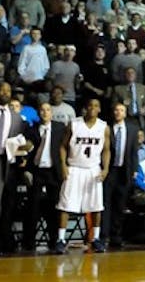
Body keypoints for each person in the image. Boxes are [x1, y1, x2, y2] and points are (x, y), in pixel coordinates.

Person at [55, 97, 110, 254]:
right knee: (65, 205)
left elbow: (106, 150)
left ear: (99, 109)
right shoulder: (74, 124)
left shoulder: (104, 127)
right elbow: (62, 147)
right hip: (74, 168)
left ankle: (96, 239)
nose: (93, 108)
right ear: (85, 108)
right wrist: (64, 166)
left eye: (96, 106)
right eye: (90, 105)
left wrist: (105, 169)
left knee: (96, 206)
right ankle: (61, 239)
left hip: (93, 169)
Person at [22, 101, 66, 250]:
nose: (45, 112)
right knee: (32, 207)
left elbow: (65, 148)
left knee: (54, 206)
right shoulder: (31, 129)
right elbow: (26, 151)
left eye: (48, 110)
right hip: (37, 170)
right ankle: (29, 242)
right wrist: (27, 169)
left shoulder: (60, 128)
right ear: (38, 113)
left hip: (53, 171)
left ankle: (54, 241)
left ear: (51, 113)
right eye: (42, 110)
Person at [0, 81, 27, 256]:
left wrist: (23, 154)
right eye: (2, 89)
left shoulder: (16, 117)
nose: (5, 92)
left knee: (0, 203)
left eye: (8, 90)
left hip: (7, 163)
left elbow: (19, 141)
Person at [102, 102, 139, 248]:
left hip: (124, 170)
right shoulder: (106, 128)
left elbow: (134, 152)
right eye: (116, 110)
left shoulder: (133, 129)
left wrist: (134, 170)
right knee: (106, 204)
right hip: (109, 170)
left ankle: (116, 236)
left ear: (125, 113)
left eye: (121, 110)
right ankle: (104, 236)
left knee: (120, 205)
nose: (118, 112)